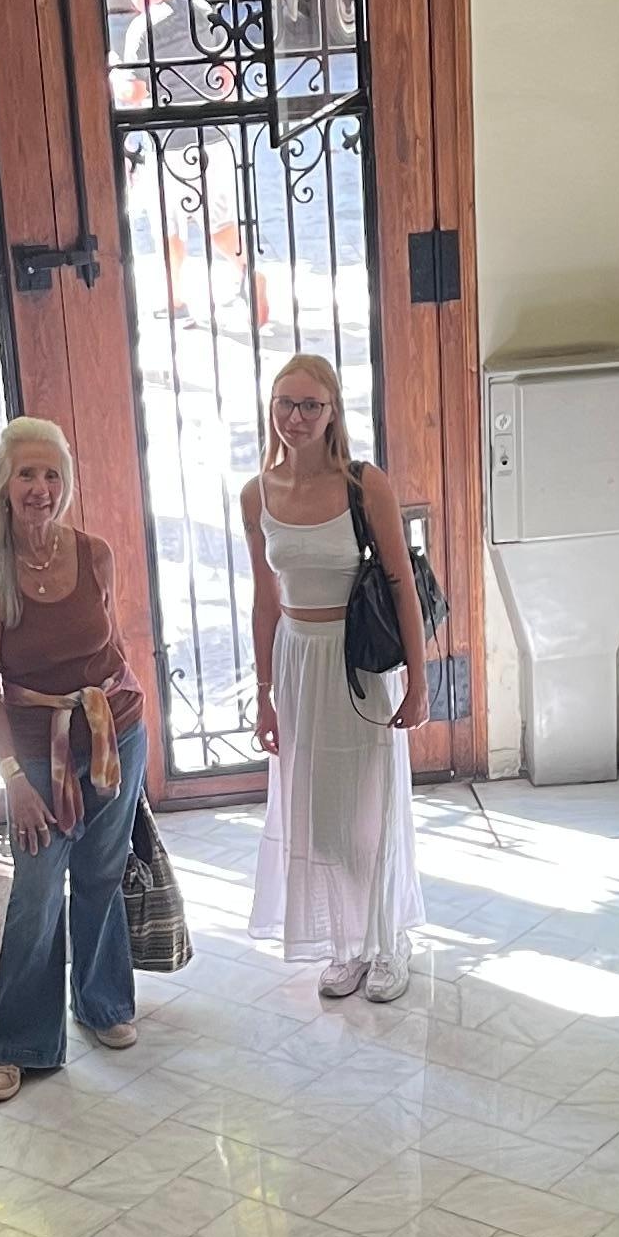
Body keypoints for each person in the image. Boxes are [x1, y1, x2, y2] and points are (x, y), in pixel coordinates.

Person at [0, 416, 148, 1105]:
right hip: (37, 751)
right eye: (27, 474)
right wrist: (12, 778)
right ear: (4, 487)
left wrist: (121, 718)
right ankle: (19, 1044)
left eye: (52, 475)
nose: (40, 488)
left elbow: (112, 645)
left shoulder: (94, 554)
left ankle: (101, 1005)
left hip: (112, 735)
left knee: (101, 871)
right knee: (37, 890)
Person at [242, 353, 425, 1002]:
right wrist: (264, 697)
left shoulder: (363, 484)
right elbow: (266, 601)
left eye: (310, 406)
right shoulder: (255, 493)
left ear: (332, 411)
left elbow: (402, 584)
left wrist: (420, 684)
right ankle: (346, 943)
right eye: (285, 404)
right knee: (318, 814)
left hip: (356, 662)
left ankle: (387, 942)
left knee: (370, 806)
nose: (296, 418)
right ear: (271, 410)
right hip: (297, 660)